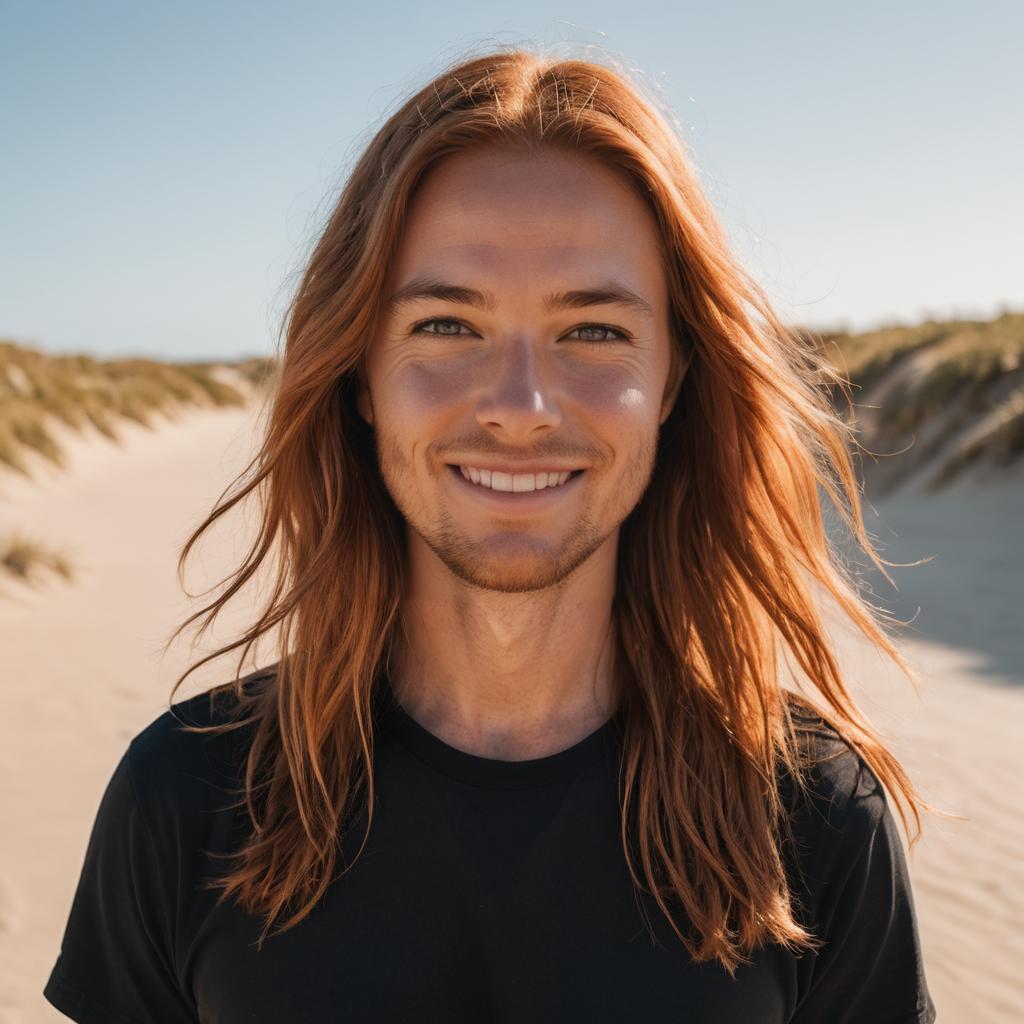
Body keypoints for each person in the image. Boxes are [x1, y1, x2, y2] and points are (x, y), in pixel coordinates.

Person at [44, 47, 936, 1023]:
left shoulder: (809, 817)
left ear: (674, 380)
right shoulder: (184, 796)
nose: (520, 407)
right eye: (445, 326)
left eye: (592, 331)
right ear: (360, 376)